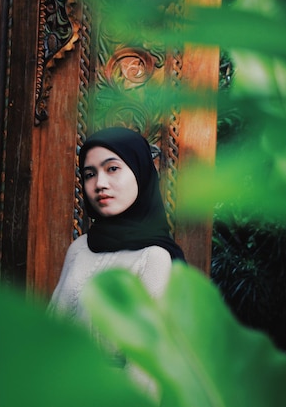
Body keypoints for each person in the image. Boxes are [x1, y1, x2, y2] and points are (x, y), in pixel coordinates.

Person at [48, 126, 185, 402]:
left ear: (140, 172)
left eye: (112, 169)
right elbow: (52, 330)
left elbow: (147, 367)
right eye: (89, 174)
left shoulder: (155, 257)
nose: (99, 183)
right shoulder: (80, 248)